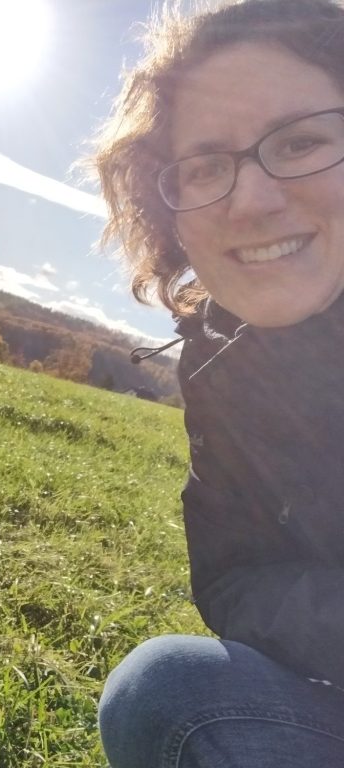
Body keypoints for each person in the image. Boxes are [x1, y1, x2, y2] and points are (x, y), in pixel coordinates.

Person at [88, 0, 344, 765]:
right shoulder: (222, 363)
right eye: (206, 166)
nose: (252, 200)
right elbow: (235, 575)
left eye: (300, 142)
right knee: (166, 690)